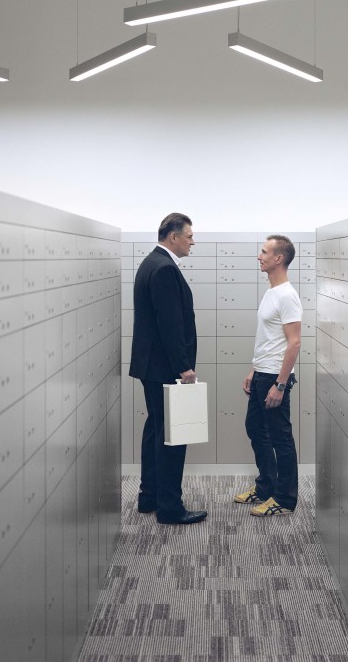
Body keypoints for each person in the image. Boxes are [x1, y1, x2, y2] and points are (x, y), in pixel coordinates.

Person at [129, 212, 208, 526]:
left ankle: (149, 497)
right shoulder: (163, 269)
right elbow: (170, 325)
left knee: (155, 432)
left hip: (152, 367)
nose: (192, 241)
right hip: (165, 369)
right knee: (172, 437)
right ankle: (170, 508)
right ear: (173, 236)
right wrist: (184, 367)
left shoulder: (151, 262)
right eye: (189, 236)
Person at [234, 235, 302, 517]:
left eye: (263, 252)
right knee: (255, 430)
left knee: (280, 438)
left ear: (279, 259)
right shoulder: (270, 292)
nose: (258, 256)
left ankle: (284, 500)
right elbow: (268, 337)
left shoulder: (287, 295)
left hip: (276, 377)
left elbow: (294, 342)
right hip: (263, 373)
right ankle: (265, 488)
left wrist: (280, 384)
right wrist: (254, 368)